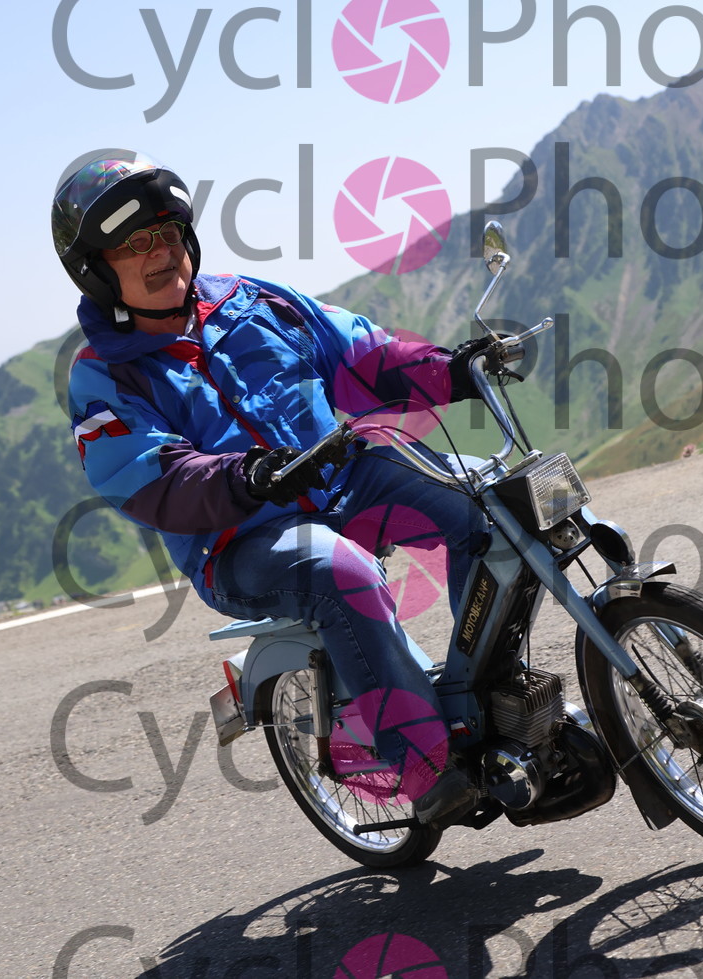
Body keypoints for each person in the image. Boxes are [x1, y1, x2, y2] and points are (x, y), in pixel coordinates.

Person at [52, 151, 494, 826]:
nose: (162, 251)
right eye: (134, 244)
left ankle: (484, 695)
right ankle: (423, 763)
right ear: (94, 270)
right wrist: (248, 476)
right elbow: (149, 478)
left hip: (341, 479)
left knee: (485, 500)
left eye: (168, 232)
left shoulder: (252, 301)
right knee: (338, 570)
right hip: (241, 539)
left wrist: (453, 370)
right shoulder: (102, 378)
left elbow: (360, 355)